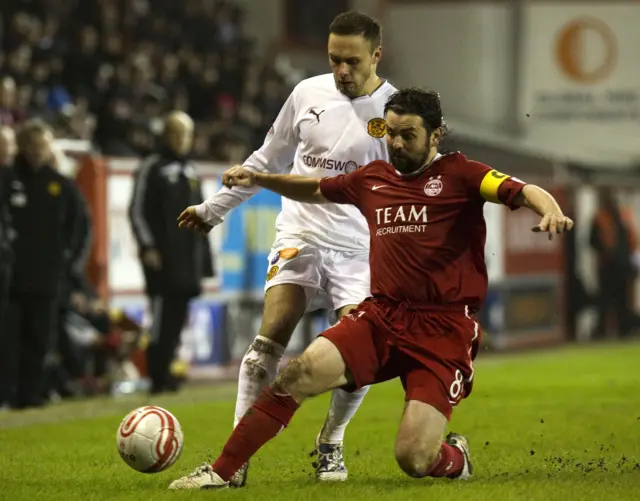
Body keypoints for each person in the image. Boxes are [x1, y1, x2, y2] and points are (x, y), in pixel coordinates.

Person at [169, 88, 573, 489]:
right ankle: (222, 472)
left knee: (414, 458)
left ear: (436, 135)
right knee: (298, 373)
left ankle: (455, 458)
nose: (395, 143)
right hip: (383, 316)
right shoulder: (373, 178)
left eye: (408, 135)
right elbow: (312, 188)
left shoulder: (462, 174)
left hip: (443, 329)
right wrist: (258, 177)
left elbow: (520, 191)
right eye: (390, 133)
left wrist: (550, 209)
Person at [177, 11, 396, 485]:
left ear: (376, 56)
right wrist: (214, 209)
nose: (341, 71)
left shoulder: (394, 113)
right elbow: (268, 159)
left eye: (352, 61)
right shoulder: (306, 94)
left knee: (359, 350)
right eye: (334, 59)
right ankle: (235, 462)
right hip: (301, 232)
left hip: (360, 246)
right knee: (268, 340)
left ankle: (332, 441)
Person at [128, 110, 214, 395]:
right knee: (161, 317)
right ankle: (156, 374)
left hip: (187, 261)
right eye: (177, 133)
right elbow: (137, 210)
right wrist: (148, 246)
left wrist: (204, 262)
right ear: (165, 135)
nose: (182, 139)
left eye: (187, 134)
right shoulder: (151, 167)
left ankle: (166, 371)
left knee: (178, 318)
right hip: (162, 258)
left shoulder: (190, 171)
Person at [1, 119, 82, 409]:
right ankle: (8, 394)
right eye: (31, 146)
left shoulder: (60, 185)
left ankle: (32, 394)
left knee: (40, 340)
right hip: (10, 280)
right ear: (21, 147)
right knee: (9, 341)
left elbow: (80, 226)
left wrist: (69, 261)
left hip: (47, 277)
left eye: (42, 146)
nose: (36, 152)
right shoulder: (6, 180)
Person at [589, 188, 638, 338]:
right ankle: (603, 331)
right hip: (608, 266)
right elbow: (592, 241)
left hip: (623, 266)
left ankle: (625, 330)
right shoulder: (600, 218)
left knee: (623, 300)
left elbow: (633, 241)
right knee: (606, 300)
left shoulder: (624, 216)